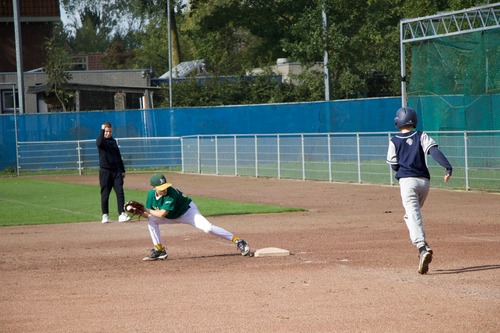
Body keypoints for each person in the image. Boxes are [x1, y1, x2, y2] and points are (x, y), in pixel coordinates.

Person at [386, 107, 452, 274]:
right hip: (424, 183)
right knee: (410, 215)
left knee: (413, 215)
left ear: (397, 121)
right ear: (413, 121)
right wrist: (447, 167)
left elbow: (393, 165)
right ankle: (421, 247)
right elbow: (433, 151)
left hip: (407, 182)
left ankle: (422, 248)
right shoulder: (421, 135)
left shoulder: (394, 141)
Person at [133, 173, 250, 261]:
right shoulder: (150, 195)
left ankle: (239, 241)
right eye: (161, 187)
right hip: (172, 216)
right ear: (154, 187)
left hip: (187, 212)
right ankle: (159, 250)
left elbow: (163, 214)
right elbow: (150, 214)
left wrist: (144, 209)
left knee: (208, 228)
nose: (164, 189)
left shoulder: (171, 192)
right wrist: (139, 212)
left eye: (165, 185)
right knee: (151, 220)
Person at [96, 122, 130, 223]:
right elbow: (98, 142)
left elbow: (118, 156)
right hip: (105, 171)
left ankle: (121, 214)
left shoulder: (113, 142)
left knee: (120, 192)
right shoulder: (101, 142)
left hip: (116, 171)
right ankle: (105, 215)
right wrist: (102, 130)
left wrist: (122, 170)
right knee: (105, 194)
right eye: (106, 131)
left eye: (110, 131)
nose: (108, 133)